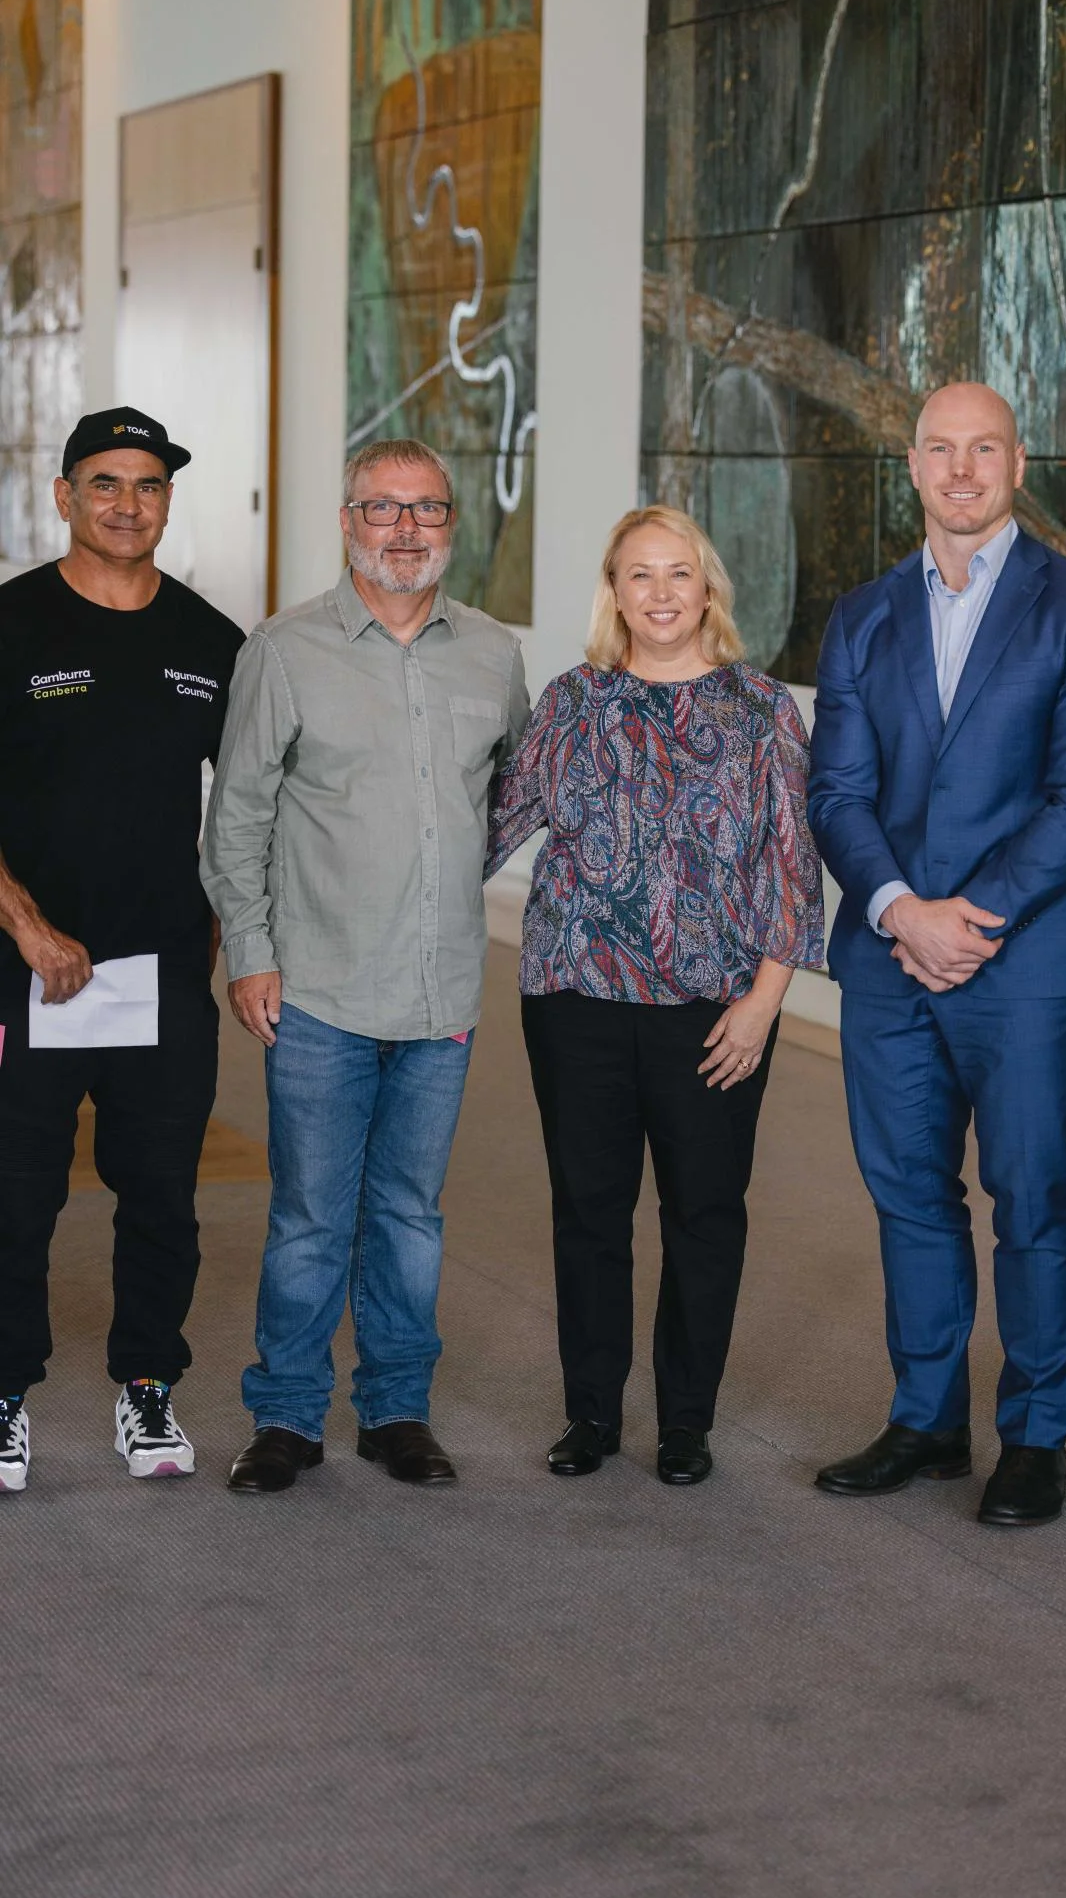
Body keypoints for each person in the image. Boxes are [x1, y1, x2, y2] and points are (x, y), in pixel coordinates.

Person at [807, 382, 1066, 1527]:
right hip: (886, 958)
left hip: (1022, 960)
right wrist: (902, 909)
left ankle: (1036, 1436)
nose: (961, 469)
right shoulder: (860, 616)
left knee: (1031, 1196)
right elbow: (837, 790)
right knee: (909, 1197)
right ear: (911, 465)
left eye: (983, 448)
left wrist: (966, 917)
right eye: (940, 449)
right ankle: (926, 1419)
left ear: (1017, 460)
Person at [201, 437, 529, 1494]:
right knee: (308, 1213)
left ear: (450, 522)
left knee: (409, 1215)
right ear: (347, 522)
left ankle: (395, 1408)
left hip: (439, 991)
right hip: (319, 988)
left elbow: (510, 792)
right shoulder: (286, 649)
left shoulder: (490, 651)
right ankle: (288, 1416)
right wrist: (250, 952)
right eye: (381, 509)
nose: (404, 530)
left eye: (426, 510)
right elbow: (236, 818)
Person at [485, 505, 823, 1485]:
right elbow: (491, 828)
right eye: (640, 575)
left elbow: (793, 868)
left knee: (703, 1213)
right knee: (589, 1211)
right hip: (575, 997)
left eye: (679, 572)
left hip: (713, 1010)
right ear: (614, 591)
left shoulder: (762, 710)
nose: (662, 592)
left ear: (707, 587)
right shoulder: (570, 701)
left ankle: (685, 1420)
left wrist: (764, 1002)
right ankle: (589, 1413)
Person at [0, 406, 244, 1495]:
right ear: (63, 495)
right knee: (16, 1193)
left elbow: (249, 809)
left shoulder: (210, 641)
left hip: (160, 973)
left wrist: (238, 937)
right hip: (29, 966)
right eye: (105, 483)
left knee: (161, 1195)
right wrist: (26, 925)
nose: (128, 504)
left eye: (147, 486)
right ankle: (5, 1392)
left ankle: (147, 1384)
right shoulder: (11, 624)